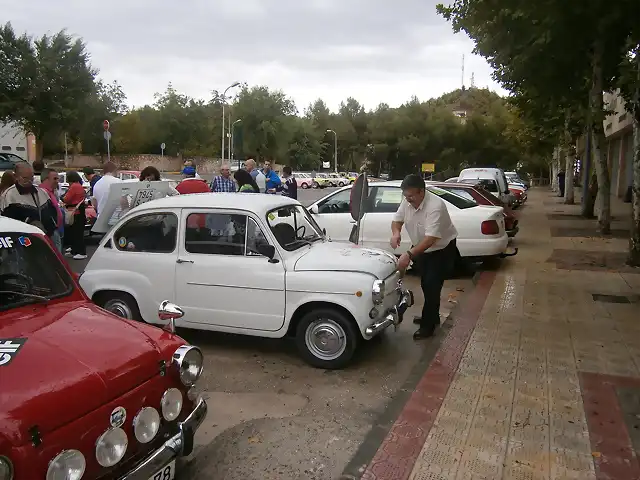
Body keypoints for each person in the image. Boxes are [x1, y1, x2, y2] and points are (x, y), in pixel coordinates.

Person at [391, 174, 458, 340]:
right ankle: (432, 317)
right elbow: (397, 220)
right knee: (425, 283)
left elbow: (432, 238)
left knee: (431, 285)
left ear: (422, 192)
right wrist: (396, 233)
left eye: (411, 196)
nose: (408, 199)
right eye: (405, 196)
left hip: (441, 249)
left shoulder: (435, 206)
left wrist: (408, 254)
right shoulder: (408, 201)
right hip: (422, 247)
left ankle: (428, 327)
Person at [0, 162, 58, 237]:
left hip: (47, 237)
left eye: (31, 177)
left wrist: (51, 228)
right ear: (16, 176)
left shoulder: (41, 192)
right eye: (25, 178)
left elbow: (52, 212)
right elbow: (7, 222)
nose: (30, 181)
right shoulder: (9, 195)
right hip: (23, 240)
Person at [62, 171, 87, 260]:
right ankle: (75, 250)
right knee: (77, 232)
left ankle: (81, 252)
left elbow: (66, 199)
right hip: (79, 211)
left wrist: (62, 197)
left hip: (74, 212)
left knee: (76, 233)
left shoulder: (73, 187)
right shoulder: (79, 186)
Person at [39, 168, 65, 252]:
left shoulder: (50, 192)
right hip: (51, 230)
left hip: (56, 228)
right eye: (55, 178)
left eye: (58, 178)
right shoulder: (42, 193)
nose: (57, 181)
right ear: (46, 179)